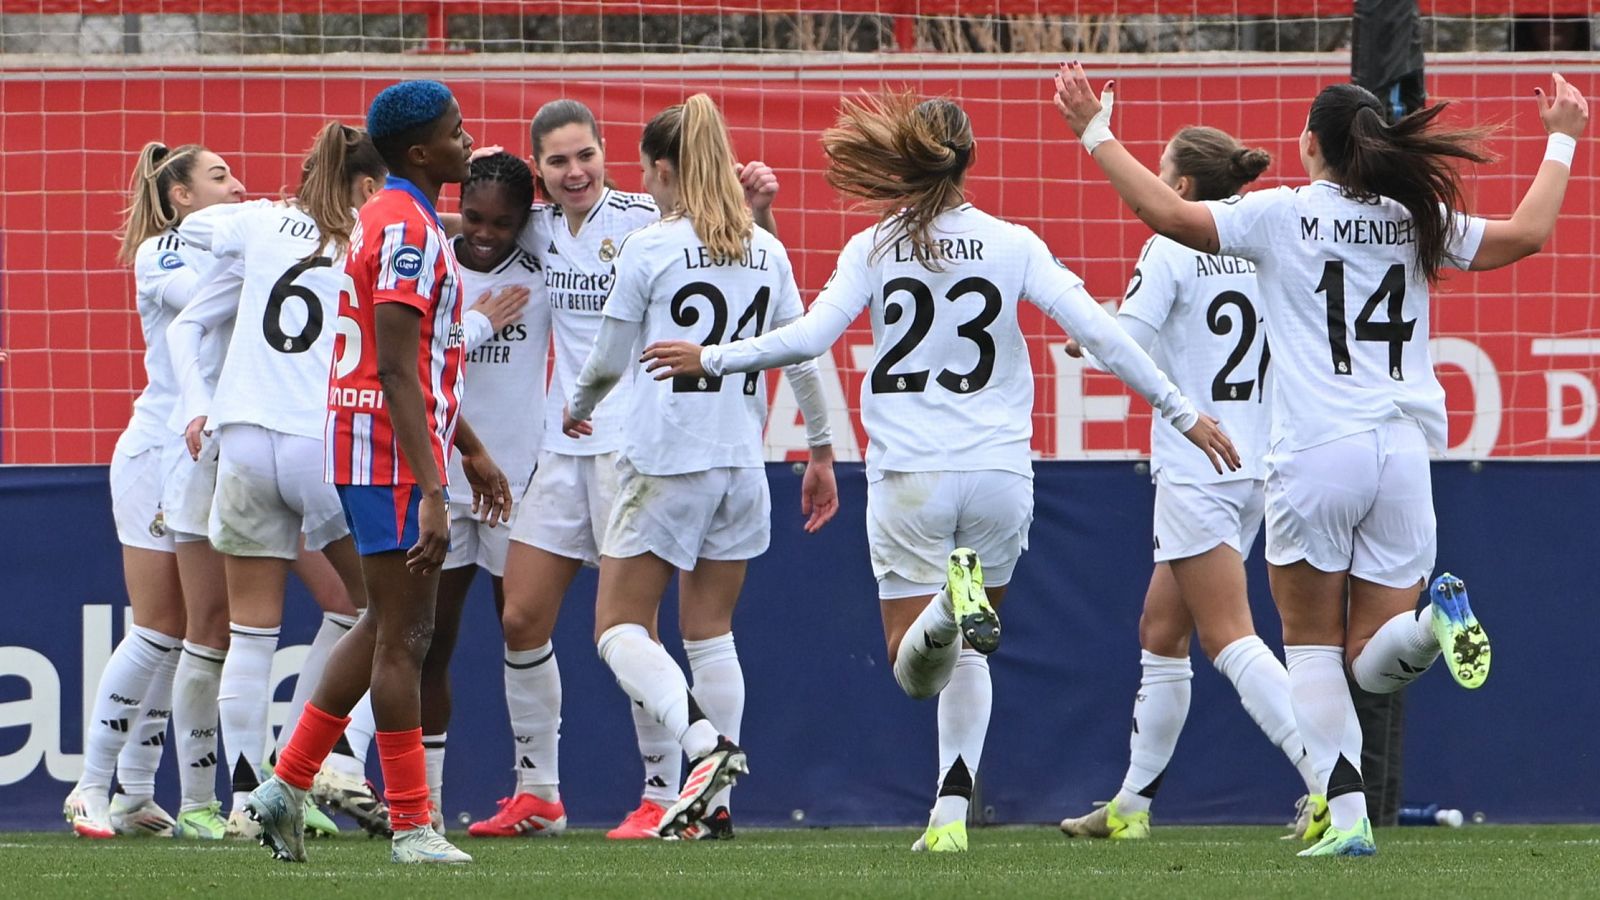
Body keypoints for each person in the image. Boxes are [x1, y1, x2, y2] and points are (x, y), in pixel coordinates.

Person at [642, 90, 1236, 853]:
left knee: (913, 668)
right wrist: (1184, 412)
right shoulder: (1012, 241)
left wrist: (711, 356)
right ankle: (950, 813)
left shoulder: (875, 245)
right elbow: (1102, 333)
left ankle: (950, 634)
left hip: (911, 479)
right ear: (969, 161)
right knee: (967, 652)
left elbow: (807, 336)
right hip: (998, 476)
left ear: (906, 156)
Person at [1054, 61, 1588, 856]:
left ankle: (1347, 821)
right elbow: (1526, 236)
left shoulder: (1282, 213)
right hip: (1404, 452)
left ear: (1310, 145)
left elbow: (1167, 211)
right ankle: (1432, 633)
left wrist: (1092, 129)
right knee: (1372, 660)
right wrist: (1563, 143)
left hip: (1314, 451)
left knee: (1309, 648)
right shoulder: (1417, 216)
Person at [467, 98, 781, 841]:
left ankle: (663, 792)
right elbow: (472, 231)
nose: (575, 172)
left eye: (585, 156)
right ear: (538, 170)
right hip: (562, 444)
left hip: (634, 446)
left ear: (607, 155)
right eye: (558, 161)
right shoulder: (536, 230)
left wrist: (758, 208)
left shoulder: (647, 218)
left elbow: (740, 264)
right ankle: (538, 793)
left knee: (629, 623)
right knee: (520, 616)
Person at [245, 79, 510, 866]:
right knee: (408, 637)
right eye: (458, 133)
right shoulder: (406, 229)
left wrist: (470, 448)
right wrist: (435, 490)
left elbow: (420, 366)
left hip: (385, 448)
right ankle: (412, 826)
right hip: (387, 455)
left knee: (381, 626)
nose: (471, 142)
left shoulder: (401, 217)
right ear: (422, 152)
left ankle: (285, 786)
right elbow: (396, 370)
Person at [562, 92, 836, 840]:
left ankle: (704, 748)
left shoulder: (651, 247)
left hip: (665, 457)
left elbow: (608, 360)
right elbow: (802, 356)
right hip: (741, 461)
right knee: (710, 631)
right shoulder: (765, 247)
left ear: (660, 170)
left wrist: (576, 405)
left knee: (618, 626)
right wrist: (820, 449)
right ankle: (712, 814)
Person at [1053, 126, 1327, 843]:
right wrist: (1106, 333)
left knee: (1227, 635)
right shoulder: (1265, 245)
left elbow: (1127, 344)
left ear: (1177, 190)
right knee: (1161, 629)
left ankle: (1330, 779)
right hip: (1258, 461)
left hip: (1197, 464)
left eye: (1161, 170)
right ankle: (1132, 807)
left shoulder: (1171, 245)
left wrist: (1091, 336)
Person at [170, 121, 392, 839]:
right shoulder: (372, 237)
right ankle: (314, 765)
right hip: (315, 442)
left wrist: (198, 403)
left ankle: (244, 802)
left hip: (241, 439)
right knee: (381, 613)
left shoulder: (260, 222)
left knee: (251, 634)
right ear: (366, 185)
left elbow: (199, 221)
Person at [64, 142, 243, 839]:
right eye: (220, 176)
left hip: (210, 454)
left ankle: (138, 793)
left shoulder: (238, 251)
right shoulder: (161, 254)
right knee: (161, 626)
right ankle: (88, 785)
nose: (238, 186)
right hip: (158, 450)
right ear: (181, 198)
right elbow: (203, 304)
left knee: (193, 632)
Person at [422, 150, 545, 827]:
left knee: (522, 631)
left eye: (503, 221)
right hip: (443, 480)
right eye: (473, 216)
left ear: (525, 218)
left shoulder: (546, 262)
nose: (486, 232)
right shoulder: (434, 258)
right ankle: (427, 805)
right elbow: (416, 359)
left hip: (520, 483)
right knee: (428, 642)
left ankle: (538, 791)